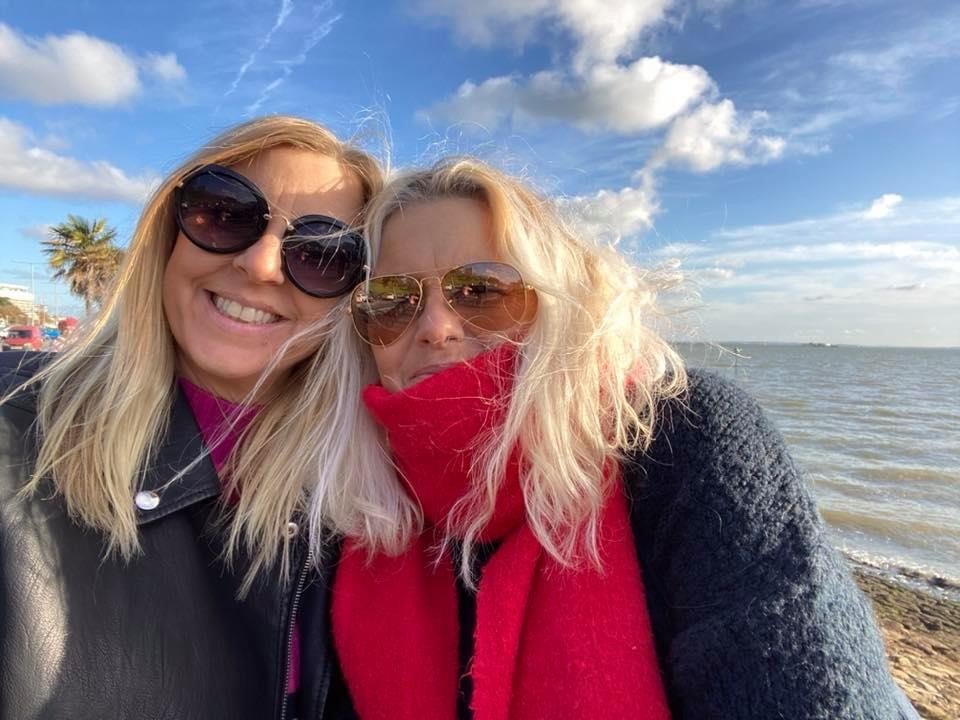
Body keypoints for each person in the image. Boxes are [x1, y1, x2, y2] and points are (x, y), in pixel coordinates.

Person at [316, 157, 918, 719]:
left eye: (481, 290)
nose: (436, 328)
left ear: (559, 306)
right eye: (392, 300)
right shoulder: (350, 495)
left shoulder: (680, 437)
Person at [0, 115, 382, 720]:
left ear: (354, 295)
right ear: (170, 231)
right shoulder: (14, 440)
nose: (261, 265)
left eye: (321, 253)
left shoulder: (375, 498)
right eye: (225, 213)